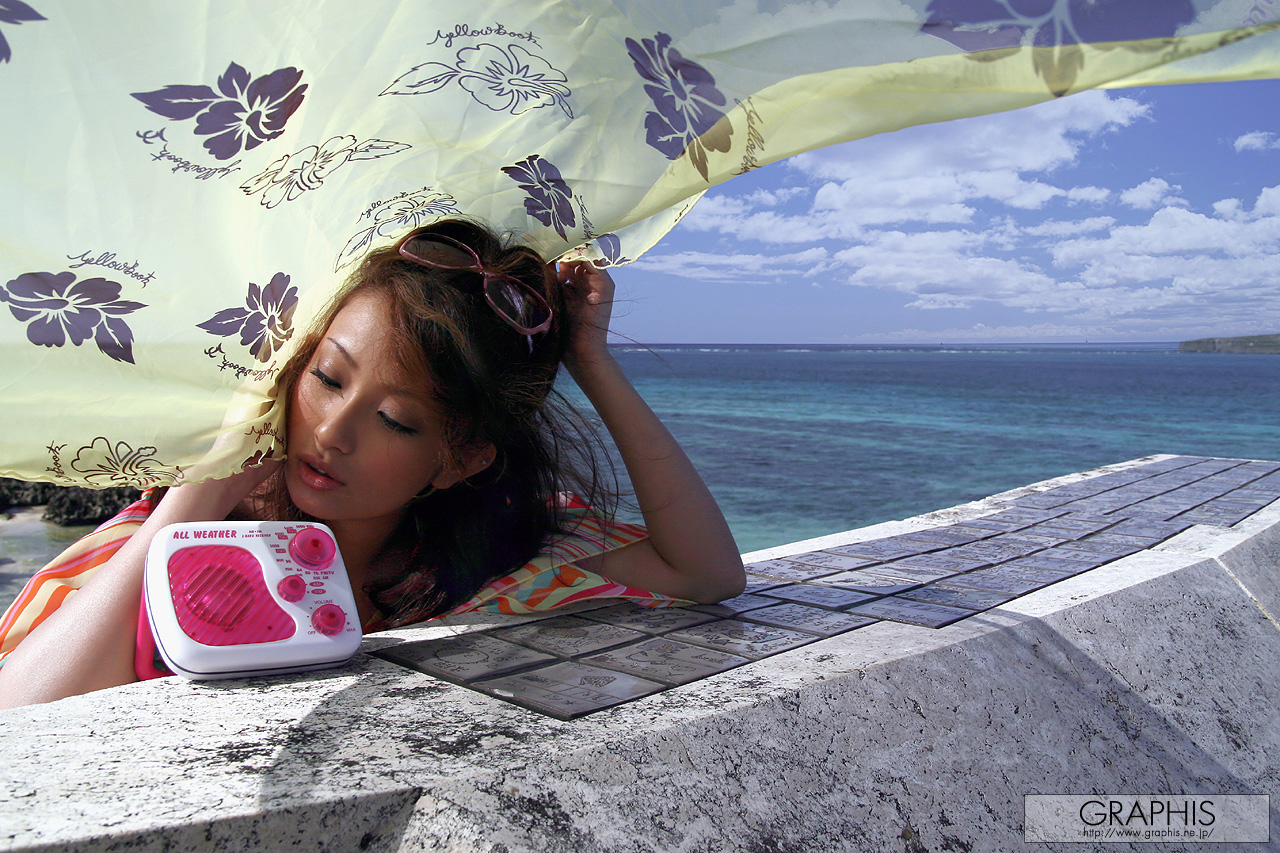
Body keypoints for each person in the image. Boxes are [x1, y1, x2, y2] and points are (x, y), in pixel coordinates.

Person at [0, 218, 744, 708]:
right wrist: (194, 500)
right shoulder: (175, 539)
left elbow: (705, 572)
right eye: (327, 378)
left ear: (459, 461)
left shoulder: (485, 566)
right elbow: (21, 717)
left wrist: (592, 362)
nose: (332, 432)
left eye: (394, 419)